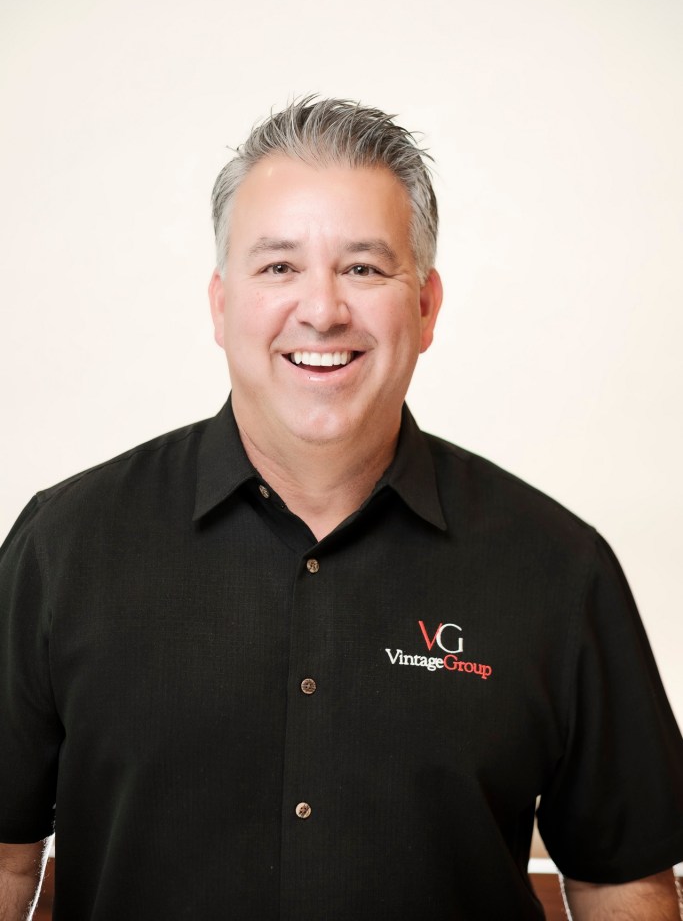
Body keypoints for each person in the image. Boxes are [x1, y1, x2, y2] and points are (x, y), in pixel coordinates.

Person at [0, 97, 681, 921]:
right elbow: (6, 862)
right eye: (278, 267)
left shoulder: (556, 568)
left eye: (362, 267)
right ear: (221, 306)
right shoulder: (62, 545)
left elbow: (621, 883)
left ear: (425, 307)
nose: (321, 310)